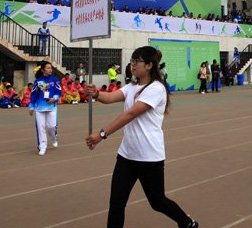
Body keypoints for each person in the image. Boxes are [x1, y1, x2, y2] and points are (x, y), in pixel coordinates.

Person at [84, 46, 199, 228]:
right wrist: (96, 94)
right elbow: (110, 97)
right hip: (126, 155)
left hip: (149, 157)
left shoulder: (156, 89)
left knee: (157, 202)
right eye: (131, 61)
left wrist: (102, 134)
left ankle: (187, 223)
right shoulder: (131, 87)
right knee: (116, 203)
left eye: (136, 61)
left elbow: (130, 114)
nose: (132, 65)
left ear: (149, 65)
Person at [29, 61, 61, 156]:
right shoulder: (38, 81)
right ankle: (42, 146)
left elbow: (59, 91)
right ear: (43, 70)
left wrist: (54, 98)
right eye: (48, 68)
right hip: (39, 108)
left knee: (52, 127)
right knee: (41, 127)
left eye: (50, 68)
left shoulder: (55, 80)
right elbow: (33, 95)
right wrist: (31, 106)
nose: (50, 69)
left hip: (51, 107)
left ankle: (54, 138)